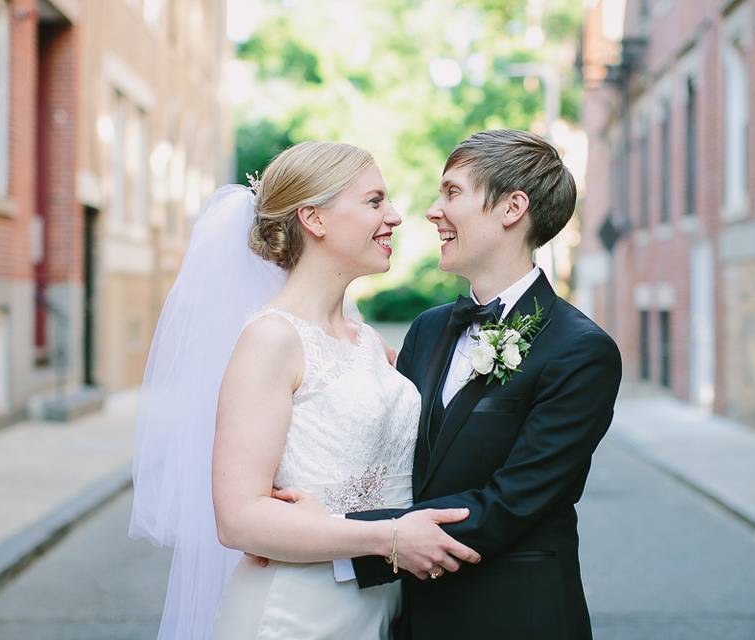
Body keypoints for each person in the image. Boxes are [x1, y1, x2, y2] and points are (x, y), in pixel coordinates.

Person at [130, 141, 480, 640]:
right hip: (295, 615)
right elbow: (238, 520)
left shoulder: (368, 343)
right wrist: (391, 536)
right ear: (313, 218)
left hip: (379, 607)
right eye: (375, 201)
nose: (397, 217)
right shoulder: (271, 339)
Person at [288, 130, 623, 639]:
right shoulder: (427, 328)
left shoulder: (581, 352)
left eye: (452, 193)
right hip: (406, 617)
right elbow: (386, 451)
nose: (431, 211)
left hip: (513, 618)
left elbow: (508, 504)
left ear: (512, 208)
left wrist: (339, 542)